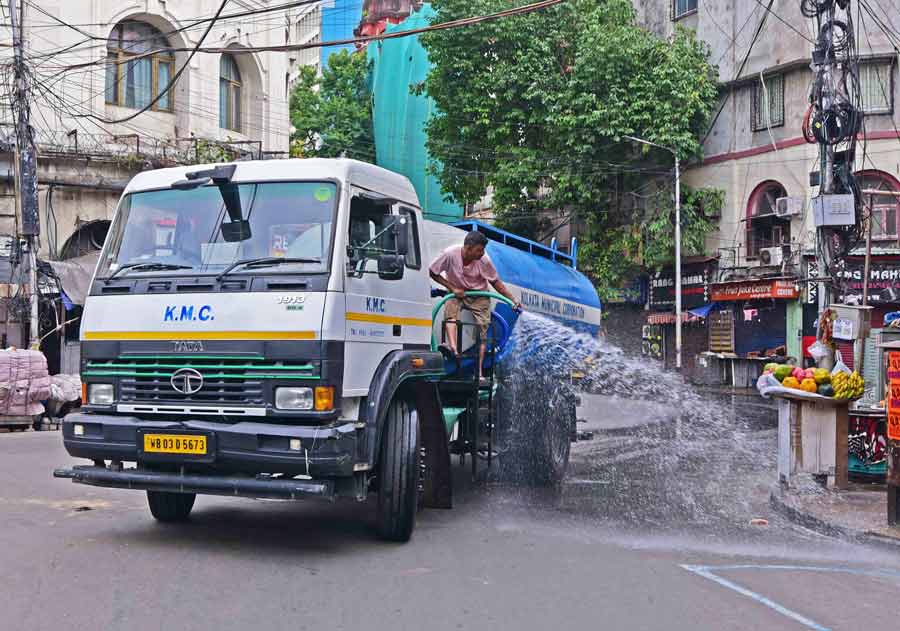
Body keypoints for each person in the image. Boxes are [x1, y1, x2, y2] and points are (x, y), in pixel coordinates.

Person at [429, 231, 521, 381]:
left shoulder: (484, 261)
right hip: (457, 292)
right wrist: (452, 288)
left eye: (483, 250)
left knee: (483, 330)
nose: (482, 253)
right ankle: (453, 348)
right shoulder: (450, 254)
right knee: (450, 310)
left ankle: (478, 372)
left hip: (479, 295)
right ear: (468, 248)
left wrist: (512, 300)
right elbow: (433, 272)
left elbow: (496, 283)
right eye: (479, 250)